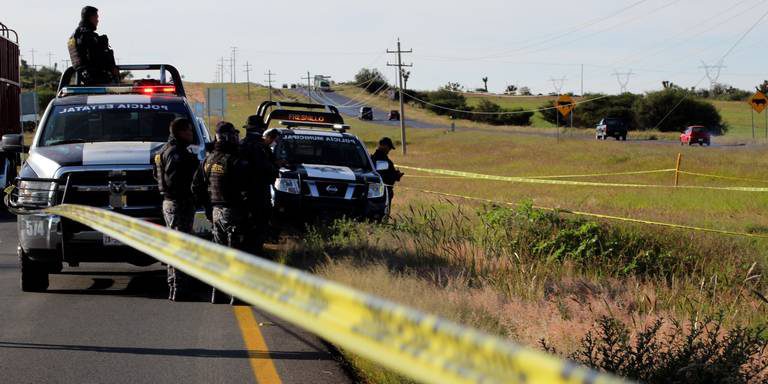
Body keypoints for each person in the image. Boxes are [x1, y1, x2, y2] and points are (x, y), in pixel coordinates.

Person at [192, 121, 249, 304]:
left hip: (215, 211)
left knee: (219, 254)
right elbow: (247, 188)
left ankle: (218, 293)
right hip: (233, 211)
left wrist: (208, 208)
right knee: (235, 254)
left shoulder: (208, 160)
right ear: (228, 137)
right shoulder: (235, 161)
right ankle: (236, 295)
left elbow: (197, 187)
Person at [153, 117, 200, 301]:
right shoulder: (176, 153)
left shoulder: (163, 150)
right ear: (180, 132)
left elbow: (156, 175)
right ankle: (180, 288)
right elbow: (173, 180)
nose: (191, 134)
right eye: (188, 130)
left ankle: (175, 287)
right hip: (179, 203)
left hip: (171, 202)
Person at [240, 117, 278, 254]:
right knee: (257, 234)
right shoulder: (262, 148)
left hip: (240, 197)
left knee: (242, 233)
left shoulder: (240, 145)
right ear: (261, 129)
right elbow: (270, 171)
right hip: (259, 195)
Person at [67, 6, 119, 85]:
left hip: (82, 77)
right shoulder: (88, 36)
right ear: (91, 18)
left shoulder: (74, 36)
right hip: (96, 78)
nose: (97, 21)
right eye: (96, 17)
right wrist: (112, 68)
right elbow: (96, 57)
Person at [370, 137, 404, 207]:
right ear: (384, 145)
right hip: (383, 192)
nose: (389, 150)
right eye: (389, 147)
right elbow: (384, 177)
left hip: (374, 190)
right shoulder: (384, 160)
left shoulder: (371, 159)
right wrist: (397, 175)